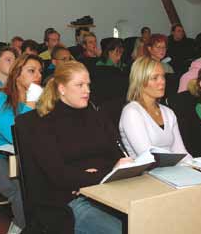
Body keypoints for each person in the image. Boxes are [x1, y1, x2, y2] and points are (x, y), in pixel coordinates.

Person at [15, 61, 129, 234]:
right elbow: (58, 176)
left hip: (105, 192)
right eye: (80, 85)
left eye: (88, 85)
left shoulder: (96, 114)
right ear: (61, 88)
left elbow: (117, 157)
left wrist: (90, 176)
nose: (87, 90)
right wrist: (99, 174)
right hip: (67, 202)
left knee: (150, 220)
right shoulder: (41, 123)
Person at [0, 54, 43, 234]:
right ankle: (25, 229)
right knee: (20, 189)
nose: (38, 76)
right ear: (16, 74)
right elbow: (18, 135)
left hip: (27, 160)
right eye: (31, 71)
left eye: (39, 71)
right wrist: (31, 103)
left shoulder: (40, 101)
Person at [119, 56, 190, 159]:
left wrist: (196, 167)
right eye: (155, 78)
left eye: (163, 76)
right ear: (140, 81)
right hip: (147, 173)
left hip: (171, 169)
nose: (162, 82)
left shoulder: (168, 112)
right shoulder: (132, 112)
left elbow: (181, 152)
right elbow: (147, 156)